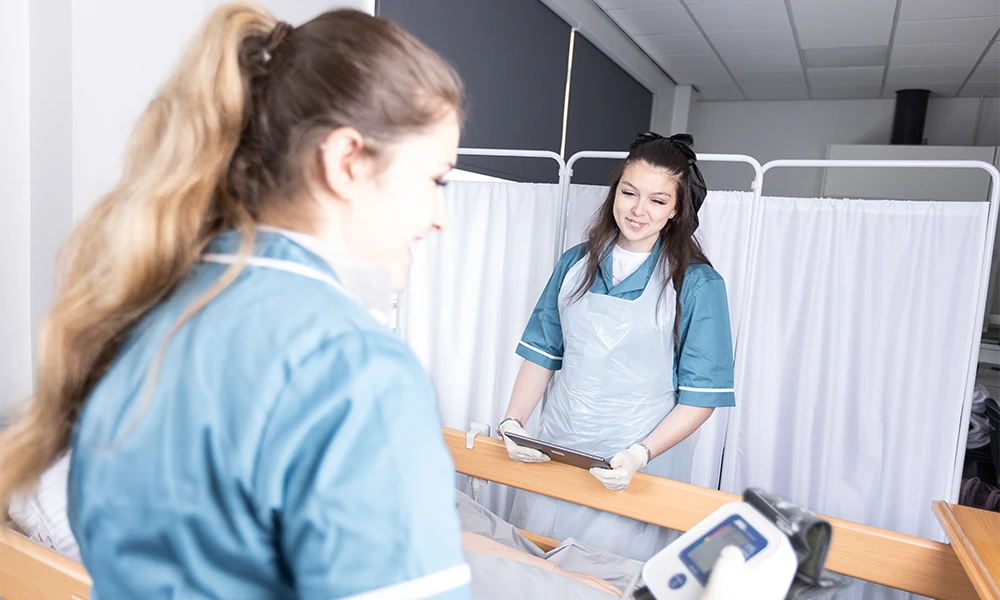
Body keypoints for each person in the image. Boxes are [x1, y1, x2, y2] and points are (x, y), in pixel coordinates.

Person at [0, 4, 471, 599]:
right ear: (347, 161)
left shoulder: (137, 321)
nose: (441, 218)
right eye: (437, 179)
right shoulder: (351, 368)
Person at [498, 132, 736, 561]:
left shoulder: (698, 284)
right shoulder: (576, 263)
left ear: (677, 209)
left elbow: (701, 397)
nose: (638, 210)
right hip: (558, 451)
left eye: (658, 200)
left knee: (607, 574)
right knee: (533, 565)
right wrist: (513, 423)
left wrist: (639, 454)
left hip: (632, 467)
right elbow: (543, 353)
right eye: (629, 192)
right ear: (615, 192)